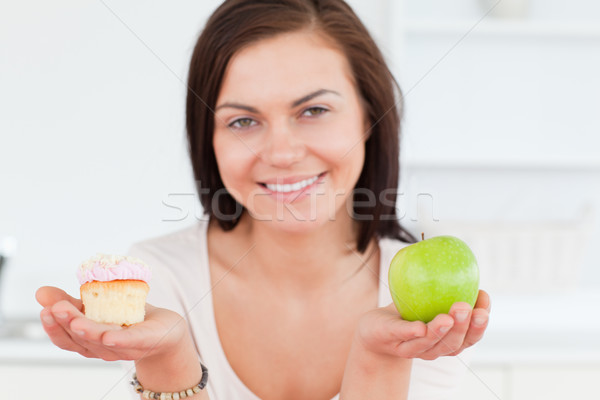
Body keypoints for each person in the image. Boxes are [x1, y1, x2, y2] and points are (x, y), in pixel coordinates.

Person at [36, 1, 491, 399]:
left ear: (370, 116)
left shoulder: (426, 304)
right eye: (242, 121)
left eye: (313, 111)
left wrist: (380, 357)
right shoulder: (163, 281)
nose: (280, 153)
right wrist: (167, 358)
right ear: (208, 138)